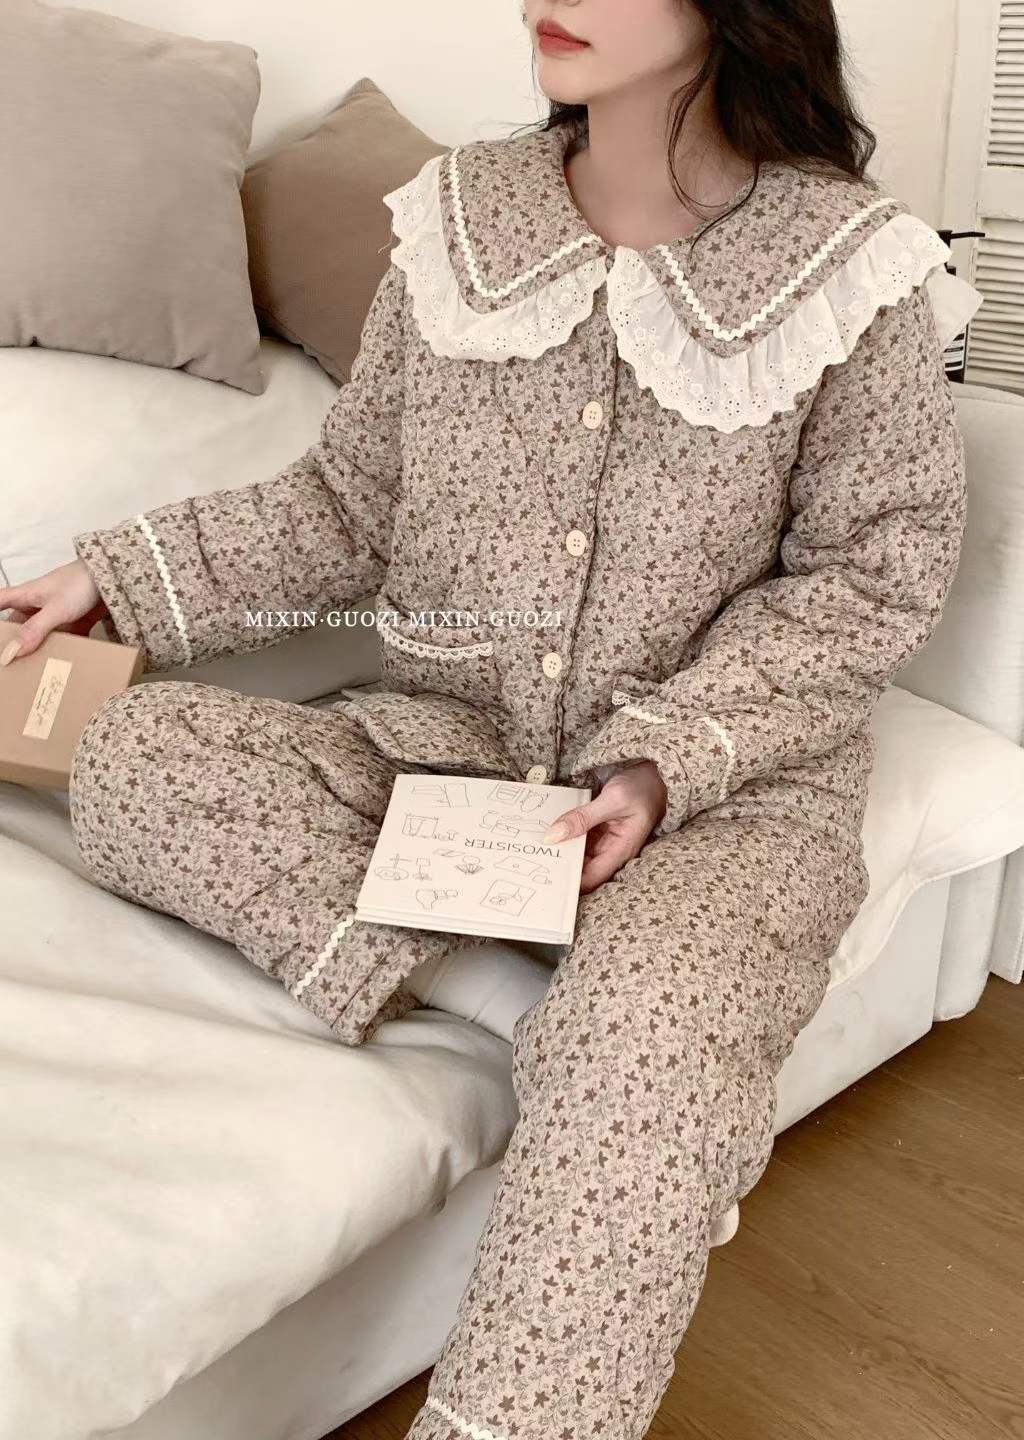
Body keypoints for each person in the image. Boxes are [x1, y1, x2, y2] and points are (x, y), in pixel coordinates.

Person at [0, 1, 969, 1434]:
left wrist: (668, 759)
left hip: (723, 796)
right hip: (453, 747)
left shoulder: (848, 262)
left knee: (647, 1034)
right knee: (133, 751)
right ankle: (483, 971)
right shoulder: (462, 217)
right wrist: (118, 577)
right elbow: (351, 503)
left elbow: (869, 578)